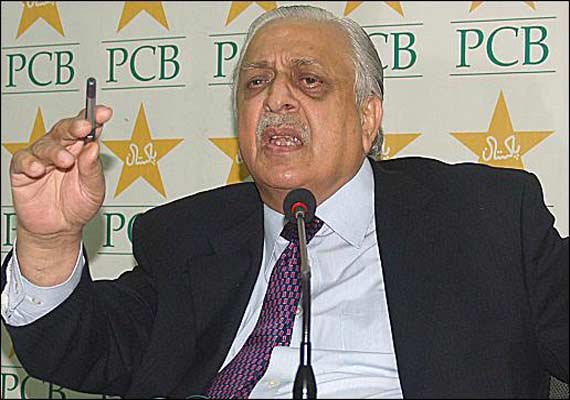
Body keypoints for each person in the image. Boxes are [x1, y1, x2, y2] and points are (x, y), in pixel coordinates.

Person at [1, 5, 568, 399]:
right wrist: (49, 243)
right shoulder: (186, 236)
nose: (276, 100)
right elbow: (85, 350)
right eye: (256, 83)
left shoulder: (487, 218)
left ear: (367, 117)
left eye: (309, 81)